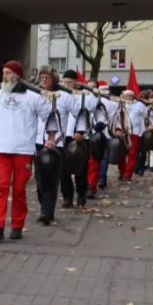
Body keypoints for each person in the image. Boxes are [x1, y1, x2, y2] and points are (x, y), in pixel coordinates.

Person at [0, 60, 49, 240]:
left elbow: (47, 116)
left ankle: (17, 225)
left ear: (18, 76)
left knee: (19, 189)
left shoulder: (33, 97)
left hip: (24, 150)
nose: (5, 76)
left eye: (9, 73)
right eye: (4, 73)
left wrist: (47, 98)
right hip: (2, 149)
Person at [34, 67, 77, 224]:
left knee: (52, 179)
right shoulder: (35, 94)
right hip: (38, 141)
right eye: (42, 77)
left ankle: (47, 212)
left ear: (54, 79)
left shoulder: (65, 96)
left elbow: (78, 113)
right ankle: (44, 206)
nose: (44, 80)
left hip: (56, 143)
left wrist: (78, 131)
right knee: (40, 180)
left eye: (47, 77)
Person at [62, 70, 93, 208]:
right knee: (64, 170)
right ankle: (67, 197)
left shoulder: (84, 96)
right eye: (64, 82)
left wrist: (80, 131)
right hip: (64, 136)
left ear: (76, 82)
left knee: (80, 169)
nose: (66, 84)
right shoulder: (61, 95)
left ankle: (81, 194)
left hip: (80, 136)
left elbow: (84, 114)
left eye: (69, 82)